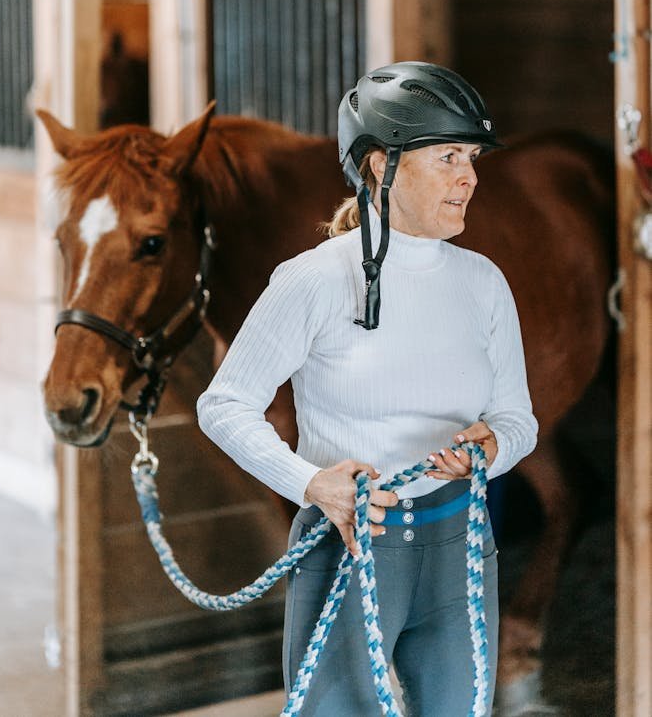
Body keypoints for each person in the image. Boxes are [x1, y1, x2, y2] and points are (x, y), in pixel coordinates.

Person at [197, 61, 538, 716]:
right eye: (447, 157)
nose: (469, 175)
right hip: (350, 541)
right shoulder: (312, 280)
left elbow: (518, 418)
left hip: (460, 542)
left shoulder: (484, 282)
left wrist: (491, 449)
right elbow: (225, 405)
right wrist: (309, 482)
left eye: (470, 157)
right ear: (382, 166)